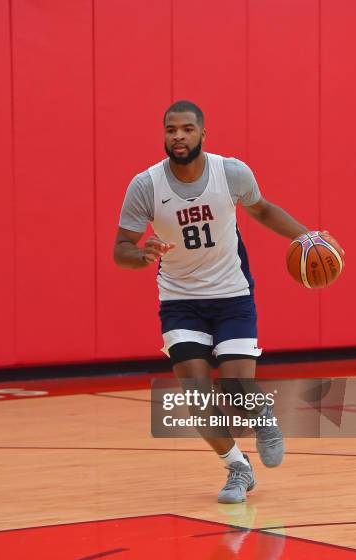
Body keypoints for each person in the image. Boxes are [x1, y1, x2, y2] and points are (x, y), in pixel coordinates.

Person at [114, 100, 309, 504]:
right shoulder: (146, 185)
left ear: (203, 133)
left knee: (238, 387)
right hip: (180, 300)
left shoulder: (231, 172)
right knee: (198, 397)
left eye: (187, 129)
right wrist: (143, 252)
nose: (178, 136)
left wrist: (306, 237)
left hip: (231, 294)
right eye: (171, 130)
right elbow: (121, 250)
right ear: (164, 135)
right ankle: (237, 466)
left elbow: (264, 209)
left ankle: (264, 419)